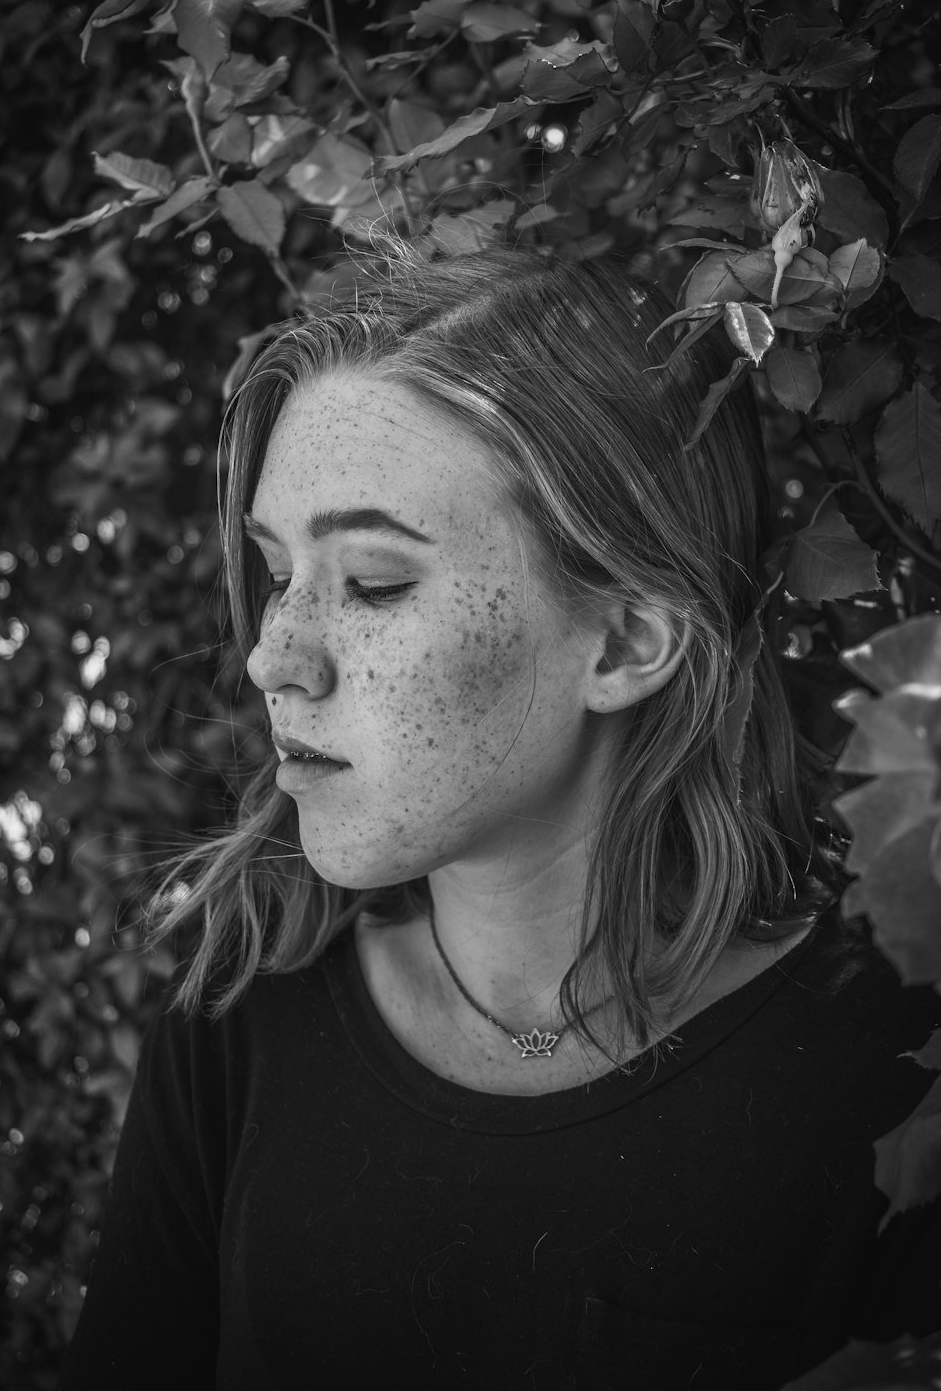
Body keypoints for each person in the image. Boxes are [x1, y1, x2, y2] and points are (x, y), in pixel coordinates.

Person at [60, 246, 939, 1391]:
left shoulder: (887, 1087)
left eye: (375, 583)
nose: (274, 654)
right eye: (276, 571)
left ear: (625, 642)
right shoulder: (242, 1011)